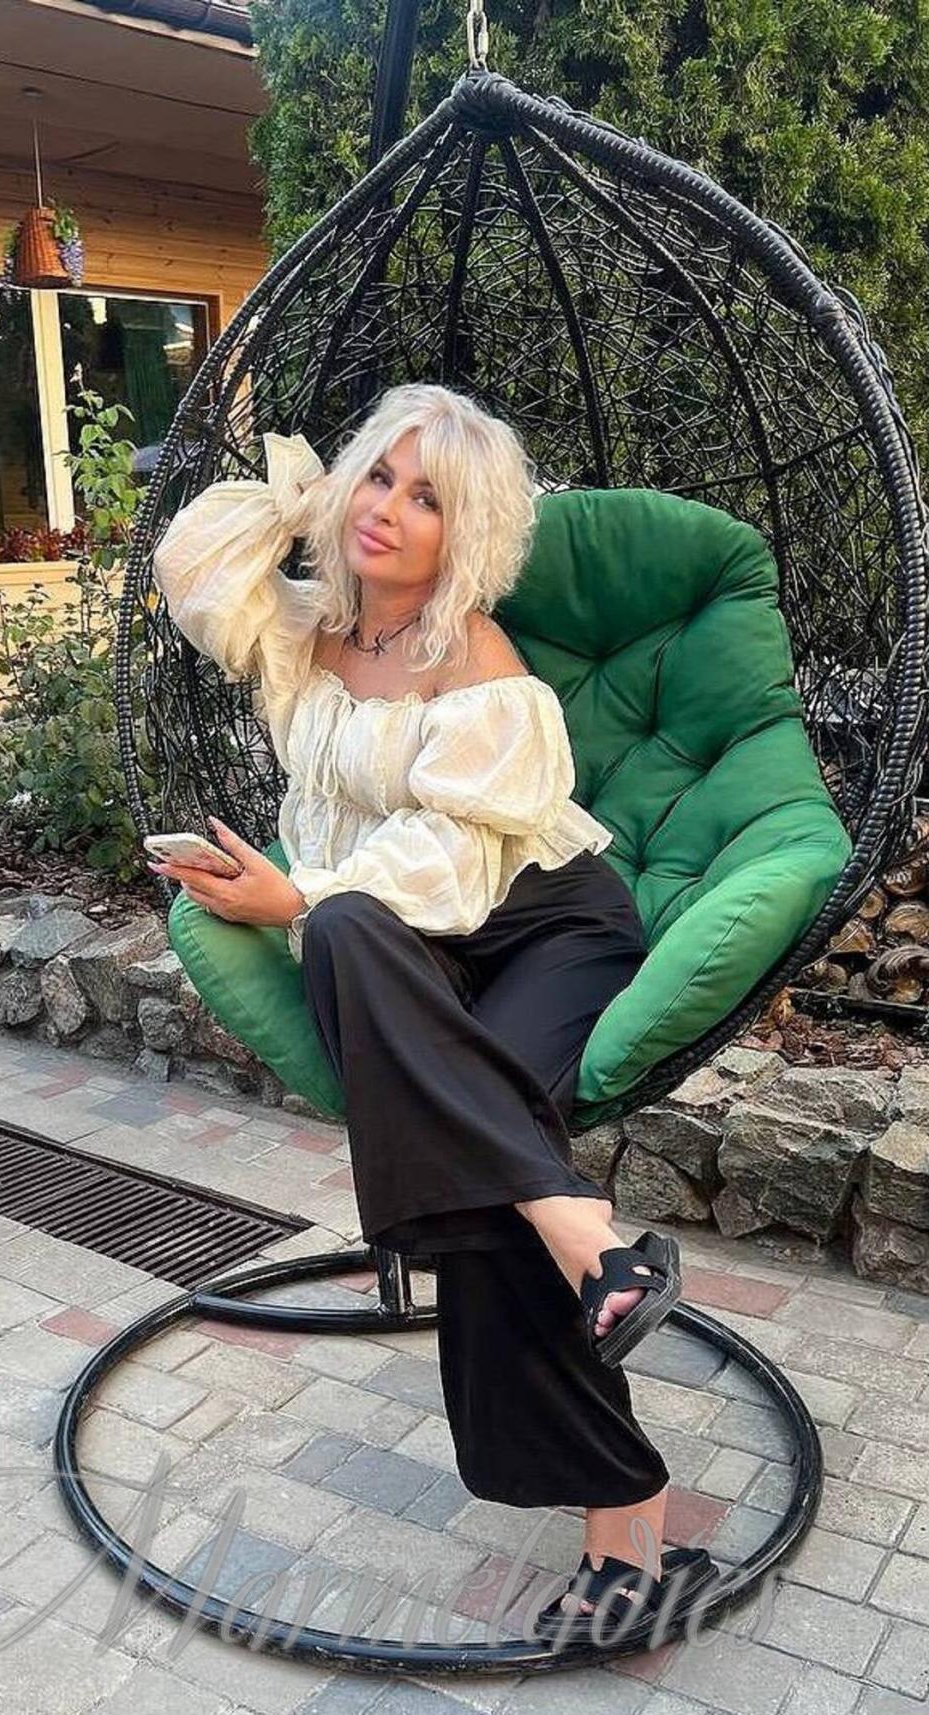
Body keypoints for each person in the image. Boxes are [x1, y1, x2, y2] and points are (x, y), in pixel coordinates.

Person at [147, 381, 715, 1644]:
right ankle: (591, 1243)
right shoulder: (301, 631)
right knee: (349, 931)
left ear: (470, 535)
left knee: (454, 1128)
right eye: (380, 478)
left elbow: (454, 866)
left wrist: (297, 895)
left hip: (545, 922)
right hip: (407, 941)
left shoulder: (479, 663)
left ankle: (625, 1523)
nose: (390, 512)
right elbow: (190, 562)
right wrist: (305, 497)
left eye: (428, 499)